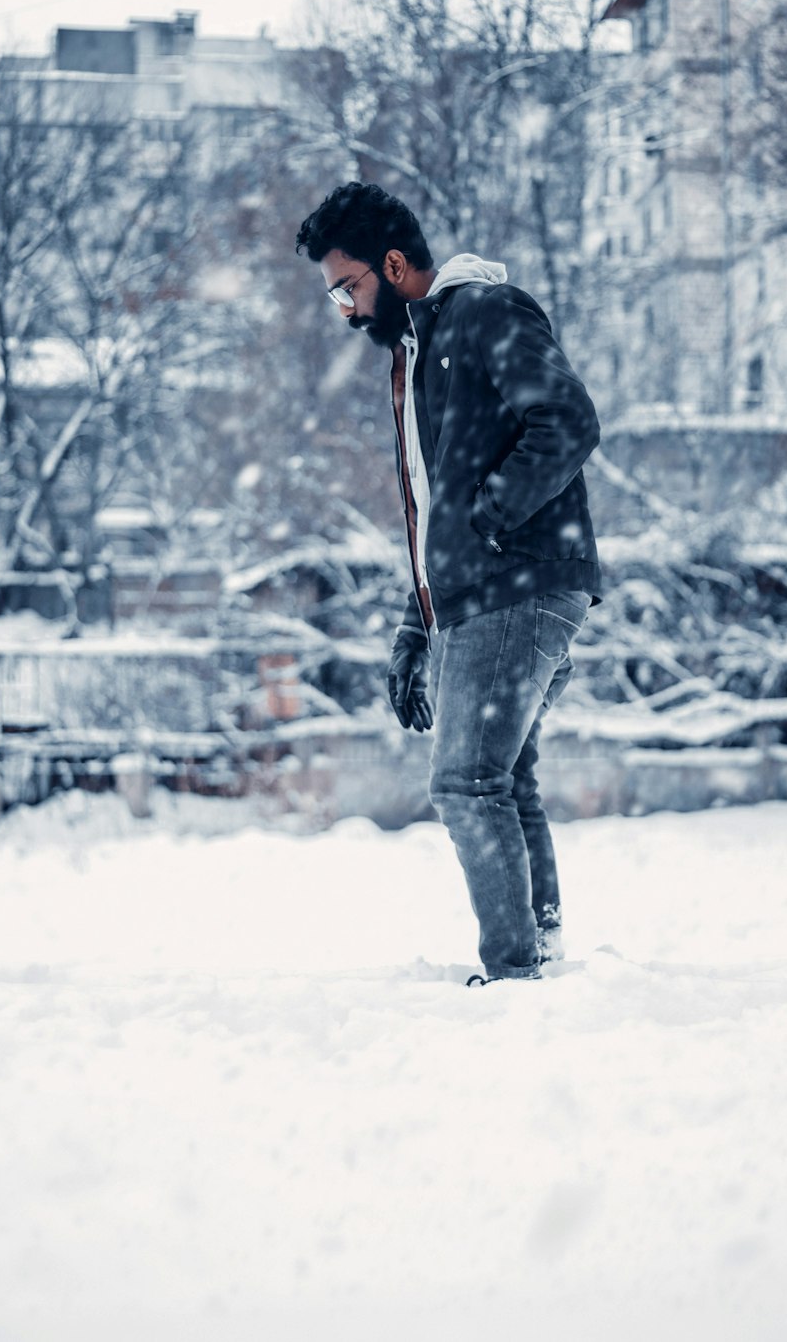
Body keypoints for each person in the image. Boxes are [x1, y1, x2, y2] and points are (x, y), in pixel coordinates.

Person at [296, 183, 601, 982]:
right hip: (485, 589)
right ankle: (540, 952)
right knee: (505, 781)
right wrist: (414, 625)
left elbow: (567, 420)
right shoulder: (422, 354)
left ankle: (512, 974)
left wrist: (495, 521)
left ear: (393, 265)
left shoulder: (486, 313)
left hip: (517, 583)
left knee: (466, 782)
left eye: (348, 287)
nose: (345, 310)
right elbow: (440, 511)